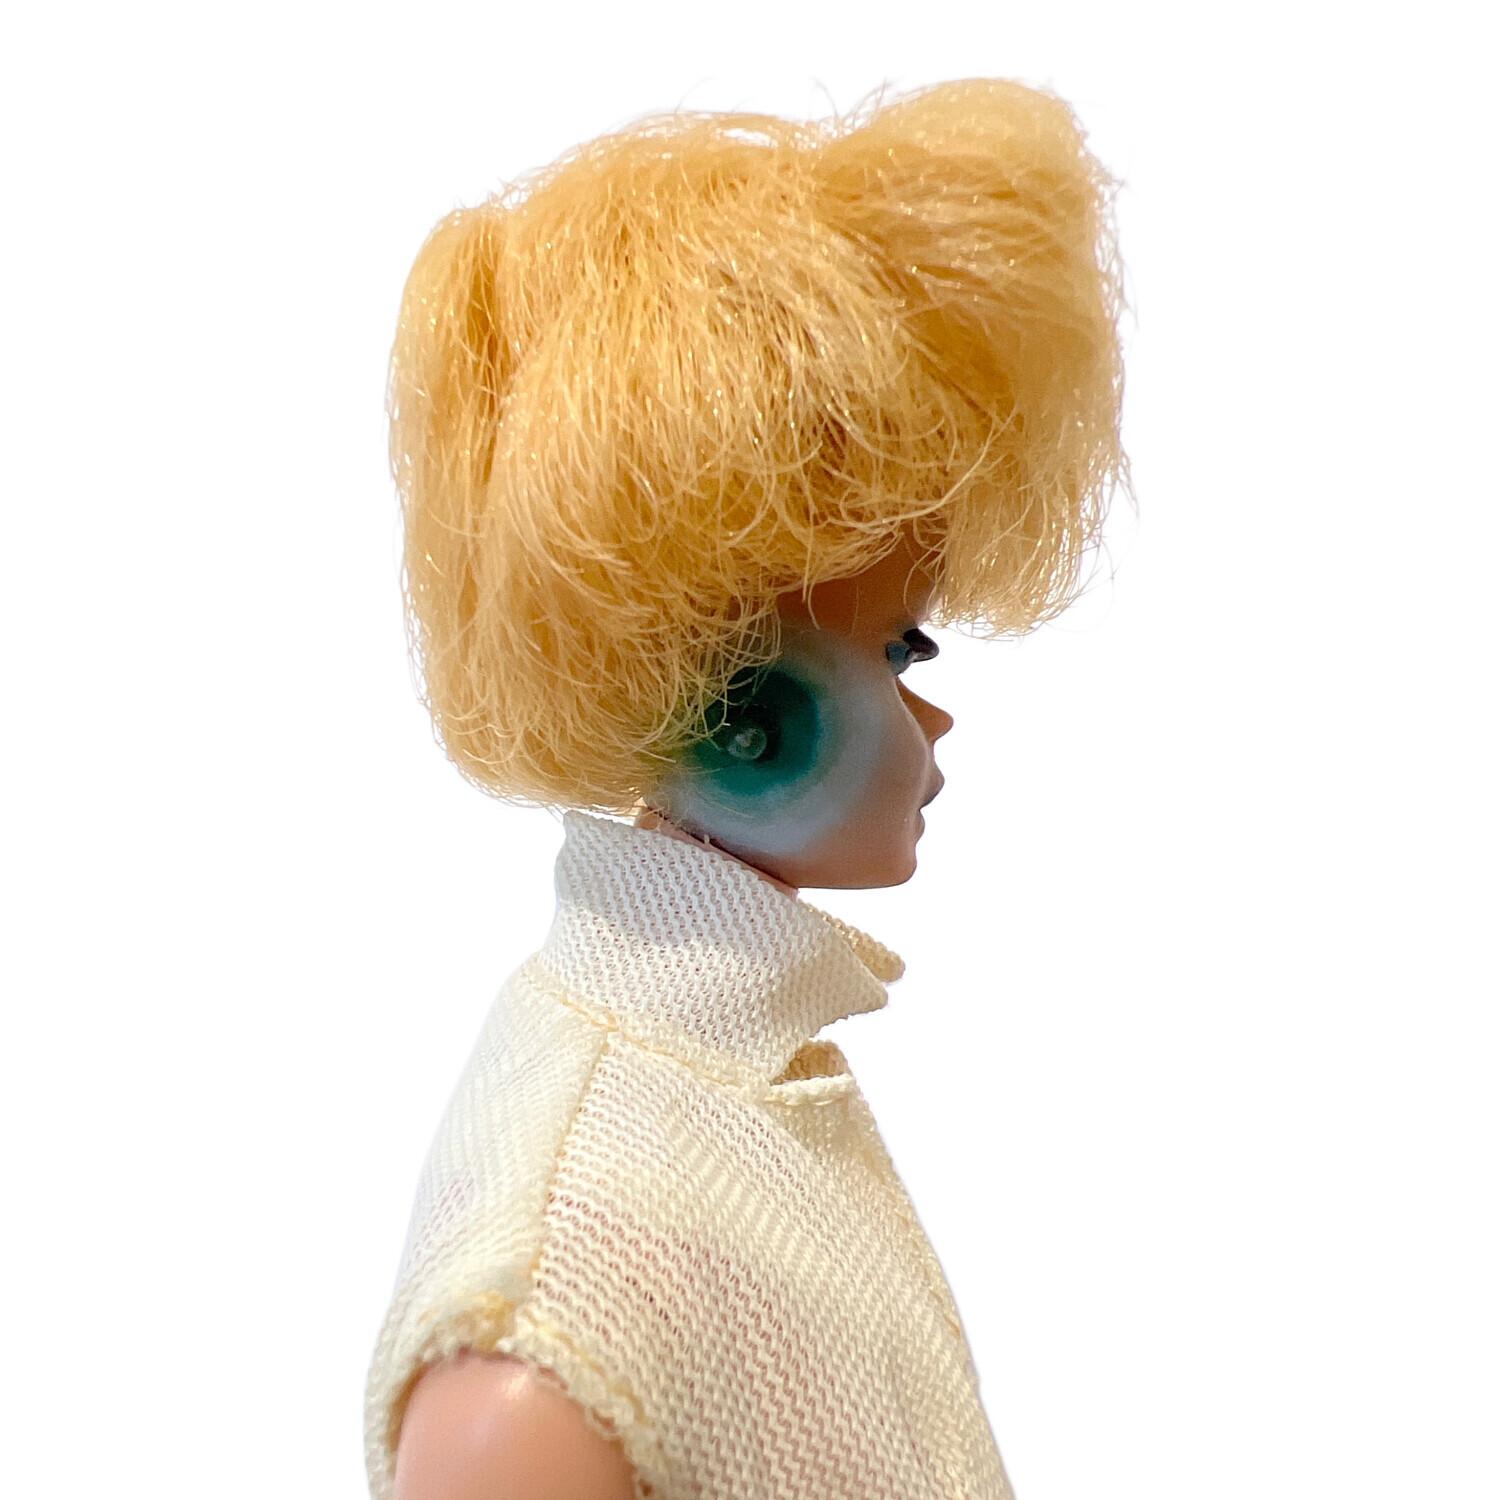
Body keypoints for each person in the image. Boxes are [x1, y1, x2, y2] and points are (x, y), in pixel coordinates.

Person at [365, 76, 1126, 1500]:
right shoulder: (553, 1325)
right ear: (730, 707)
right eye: (897, 652)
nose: (936, 713)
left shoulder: (735, 1088)